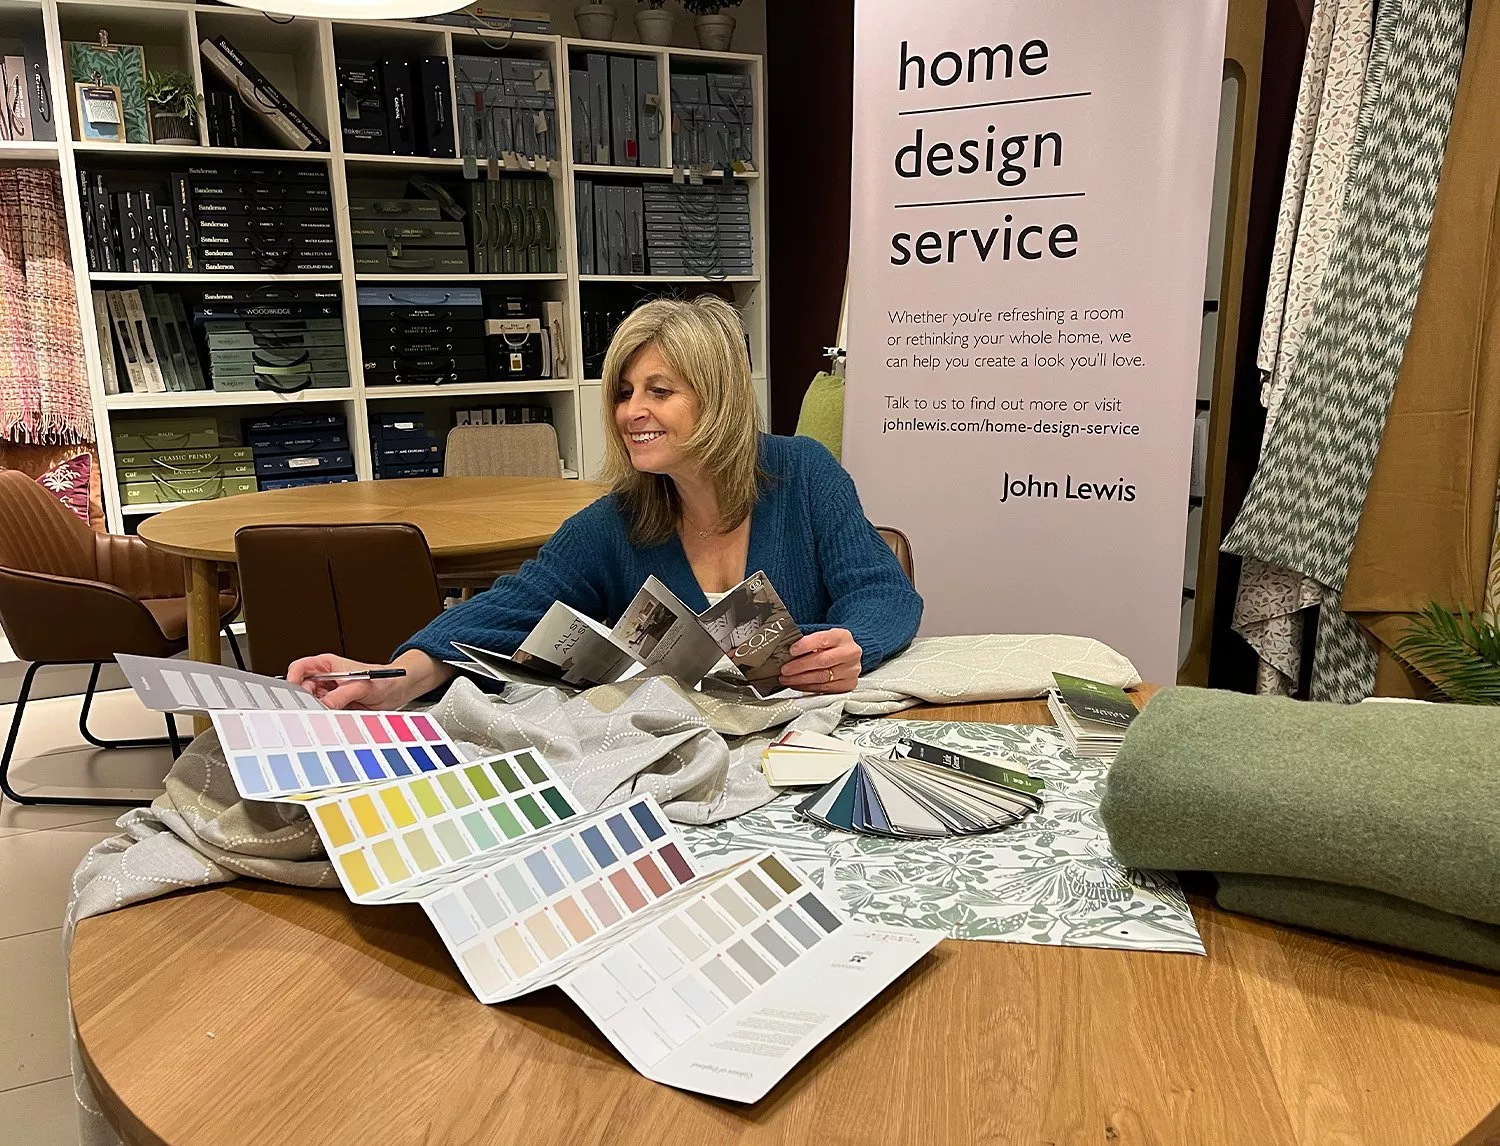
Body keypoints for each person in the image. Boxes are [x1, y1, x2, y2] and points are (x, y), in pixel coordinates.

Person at [287, 295, 923, 710]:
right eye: (623, 391)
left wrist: (852, 645)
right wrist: (393, 676)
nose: (631, 411)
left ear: (718, 396)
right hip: (685, 774)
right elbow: (510, 608)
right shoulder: (616, 521)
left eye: (659, 389)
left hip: (810, 758)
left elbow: (882, 592)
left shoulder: (803, 473)